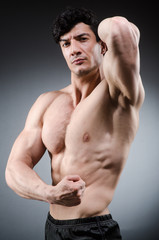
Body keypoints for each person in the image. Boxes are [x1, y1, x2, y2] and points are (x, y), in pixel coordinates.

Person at [5, 6, 145, 240]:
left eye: (82, 39)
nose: (74, 50)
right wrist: (49, 193)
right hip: (52, 227)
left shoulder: (119, 94)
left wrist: (101, 31)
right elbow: (14, 167)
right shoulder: (48, 101)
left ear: (102, 45)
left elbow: (119, 27)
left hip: (94, 229)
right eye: (66, 44)